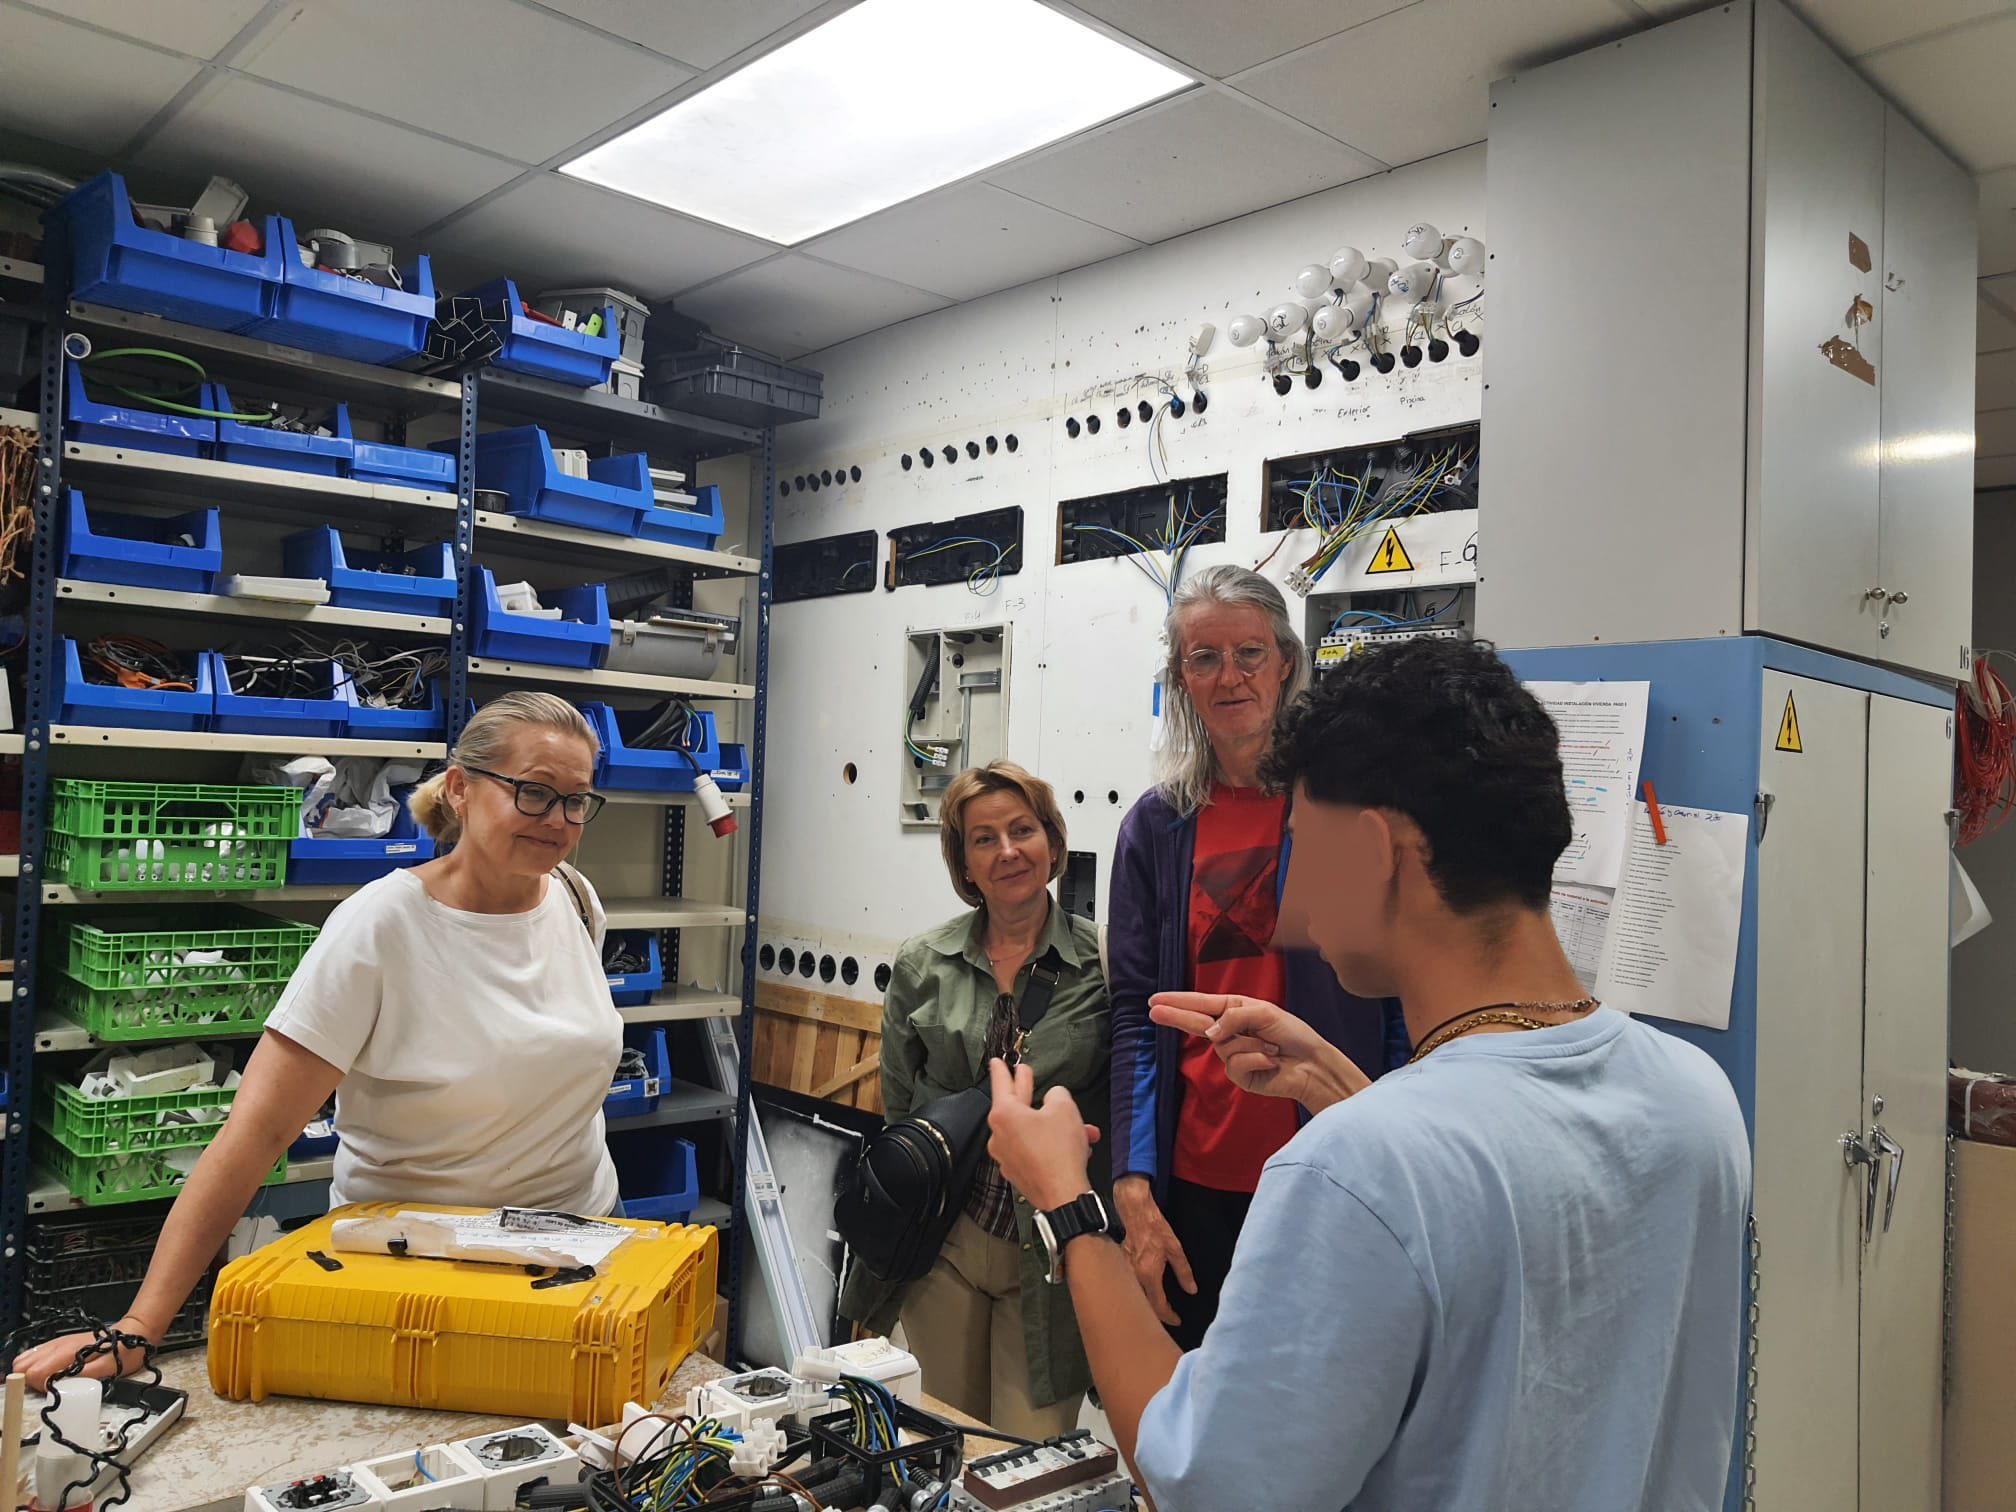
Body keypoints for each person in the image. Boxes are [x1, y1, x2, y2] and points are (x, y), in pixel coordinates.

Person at [988, 638, 1751, 1510]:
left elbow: (1205, 1484)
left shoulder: (1352, 1168)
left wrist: (1068, 1203)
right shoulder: (1696, 1098)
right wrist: (1339, 1086)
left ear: (1374, 851)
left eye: (1301, 849)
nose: (1295, 905)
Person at [15, 693, 626, 1391]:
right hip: (421, 1271)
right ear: (460, 788)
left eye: (576, 801)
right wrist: (139, 1326)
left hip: (581, 1245)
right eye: (535, 792)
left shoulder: (574, 898)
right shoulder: (380, 927)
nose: (559, 820)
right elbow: (255, 1133)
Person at [1108, 564, 1406, 1348]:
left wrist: (1402, 1144)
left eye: (1249, 654)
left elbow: (1402, 1000)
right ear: (1181, 678)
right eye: (1204, 658)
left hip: (1335, 1169)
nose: (1229, 676)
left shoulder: (1350, 811)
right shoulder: (1156, 828)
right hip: (1197, 1183)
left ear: (1285, 663)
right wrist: (1134, 1181)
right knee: (1198, 1399)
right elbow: (1137, 1017)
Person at [840, 761, 1109, 1440]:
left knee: (1030, 1456)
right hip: (947, 1246)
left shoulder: (1104, 966)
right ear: (963, 862)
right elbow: (900, 1109)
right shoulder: (922, 963)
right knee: (946, 1440)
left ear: (1052, 840)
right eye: (984, 839)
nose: (1007, 851)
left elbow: (1124, 1103)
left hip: (1051, 1255)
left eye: (1023, 830)